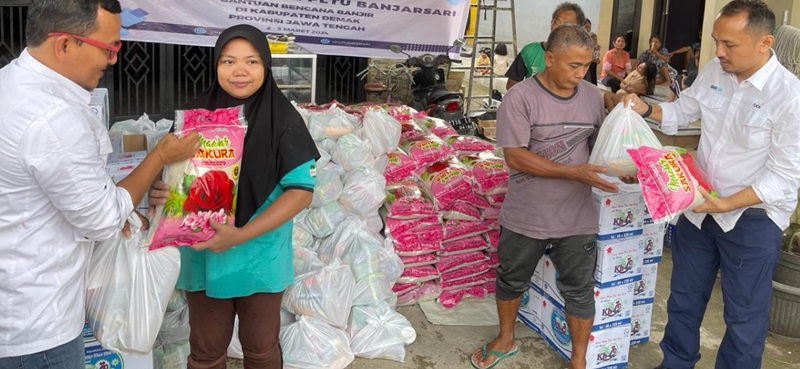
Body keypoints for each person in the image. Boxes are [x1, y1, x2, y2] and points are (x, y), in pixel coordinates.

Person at [0, 1, 200, 368]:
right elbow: (102, 220)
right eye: (108, 48)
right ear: (63, 45)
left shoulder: (11, 83)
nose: (112, 60)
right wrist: (158, 156)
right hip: (37, 326)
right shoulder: (52, 118)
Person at [622, 2, 800, 368]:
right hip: (700, 209)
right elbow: (682, 114)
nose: (718, 51)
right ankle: (676, 362)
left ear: (765, 42)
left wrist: (724, 204)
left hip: (751, 220)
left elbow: (783, 177)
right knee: (684, 299)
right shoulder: (715, 72)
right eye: (717, 41)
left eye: (729, 44)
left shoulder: (789, 96)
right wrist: (643, 109)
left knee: (744, 317)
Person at [149, 24, 319, 369]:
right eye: (228, 61)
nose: (239, 71)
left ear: (266, 66)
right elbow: (168, 172)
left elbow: (300, 193)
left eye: (251, 62)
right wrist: (160, 190)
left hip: (259, 258)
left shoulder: (284, 119)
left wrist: (240, 234)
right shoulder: (194, 117)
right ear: (215, 66)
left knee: (260, 350)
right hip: (203, 257)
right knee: (206, 352)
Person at [470, 24, 618, 369]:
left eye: (586, 66)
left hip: (576, 215)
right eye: (573, 66)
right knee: (511, 278)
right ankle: (506, 338)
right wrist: (573, 172)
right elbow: (516, 156)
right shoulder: (520, 97)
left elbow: (594, 147)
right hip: (527, 213)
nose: (581, 74)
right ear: (549, 59)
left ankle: (578, 360)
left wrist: (618, 163)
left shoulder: (592, 97)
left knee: (579, 289)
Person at [504, 2, 586, 90]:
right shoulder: (530, 51)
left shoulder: (582, 58)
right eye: (556, 22)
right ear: (551, 23)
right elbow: (512, 85)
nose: (559, 28)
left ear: (579, 29)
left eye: (566, 25)